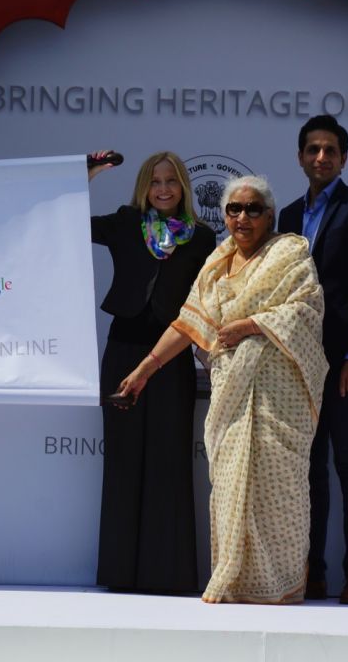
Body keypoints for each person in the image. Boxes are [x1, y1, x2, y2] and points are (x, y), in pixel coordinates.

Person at [118, 176, 327, 604]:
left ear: (269, 215)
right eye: (234, 209)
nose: (243, 217)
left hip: (279, 395)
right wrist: (144, 369)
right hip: (232, 391)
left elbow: (307, 310)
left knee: (280, 490)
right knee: (231, 485)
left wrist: (251, 325)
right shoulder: (217, 264)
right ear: (225, 215)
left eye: (253, 209)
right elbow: (188, 323)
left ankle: (282, 588)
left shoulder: (290, 254)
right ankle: (234, 581)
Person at [89, 150, 216, 593]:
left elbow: (205, 303)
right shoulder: (124, 223)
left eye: (172, 181)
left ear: (184, 186)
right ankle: (120, 573)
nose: (163, 189)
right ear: (144, 186)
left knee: (169, 459)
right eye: (155, 181)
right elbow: (67, 221)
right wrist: (89, 173)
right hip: (123, 351)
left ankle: (168, 575)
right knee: (123, 460)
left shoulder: (202, 237)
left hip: (171, 356)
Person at [278, 114, 348, 605]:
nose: (321, 157)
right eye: (312, 149)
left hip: (345, 364)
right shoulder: (286, 216)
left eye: (330, 150)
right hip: (298, 363)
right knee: (307, 468)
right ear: (301, 157)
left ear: (343, 158)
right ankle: (311, 570)